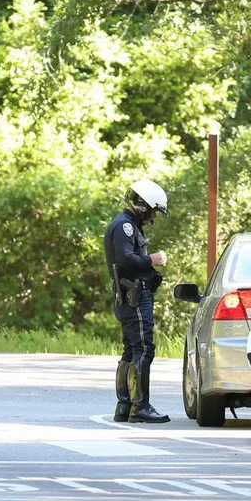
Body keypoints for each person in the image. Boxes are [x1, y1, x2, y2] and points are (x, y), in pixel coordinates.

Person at [104, 179, 170, 424]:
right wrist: (152, 259)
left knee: (131, 350)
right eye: (153, 211)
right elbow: (126, 260)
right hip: (134, 296)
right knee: (144, 349)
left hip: (127, 294)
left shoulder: (125, 225)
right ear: (143, 206)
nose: (153, 217)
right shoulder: (125, 227)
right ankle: (139, 406)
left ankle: (125, 405)